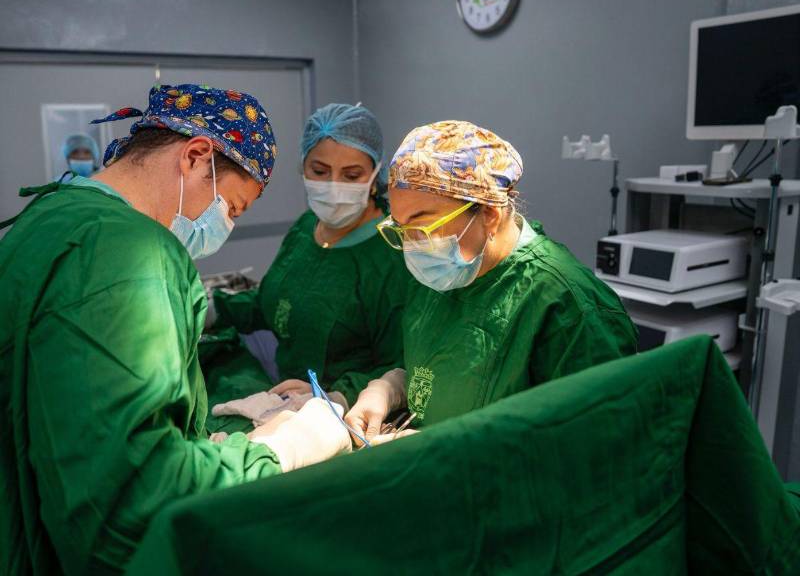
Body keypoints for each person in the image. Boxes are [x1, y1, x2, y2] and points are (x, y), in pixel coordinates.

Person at [0, 84, 351, 574]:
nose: (225, 225)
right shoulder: (132, 256)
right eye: (232, 207)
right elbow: (132, 504)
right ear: (195, 156)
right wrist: (283, 449)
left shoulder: (51, 215)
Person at [345, 120, 638, 441]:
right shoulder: (438, 276)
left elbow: (599, 445)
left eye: (423, 227)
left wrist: (451, 453)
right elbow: (445, 367)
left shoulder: (571, 308)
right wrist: (393, 387)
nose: (413, 246)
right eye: (401, 228)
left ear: (490, 215)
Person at [208, 103, 411, 411]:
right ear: (303, 167)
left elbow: (400, 365)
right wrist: (213, 309)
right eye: (319, 171)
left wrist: (337, 395)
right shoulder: (306, 227)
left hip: (348, 412)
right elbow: (274, 304)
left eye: (351, 175)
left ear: (375, 175)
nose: (333, 186)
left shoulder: (390, 253)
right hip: (286, 395)